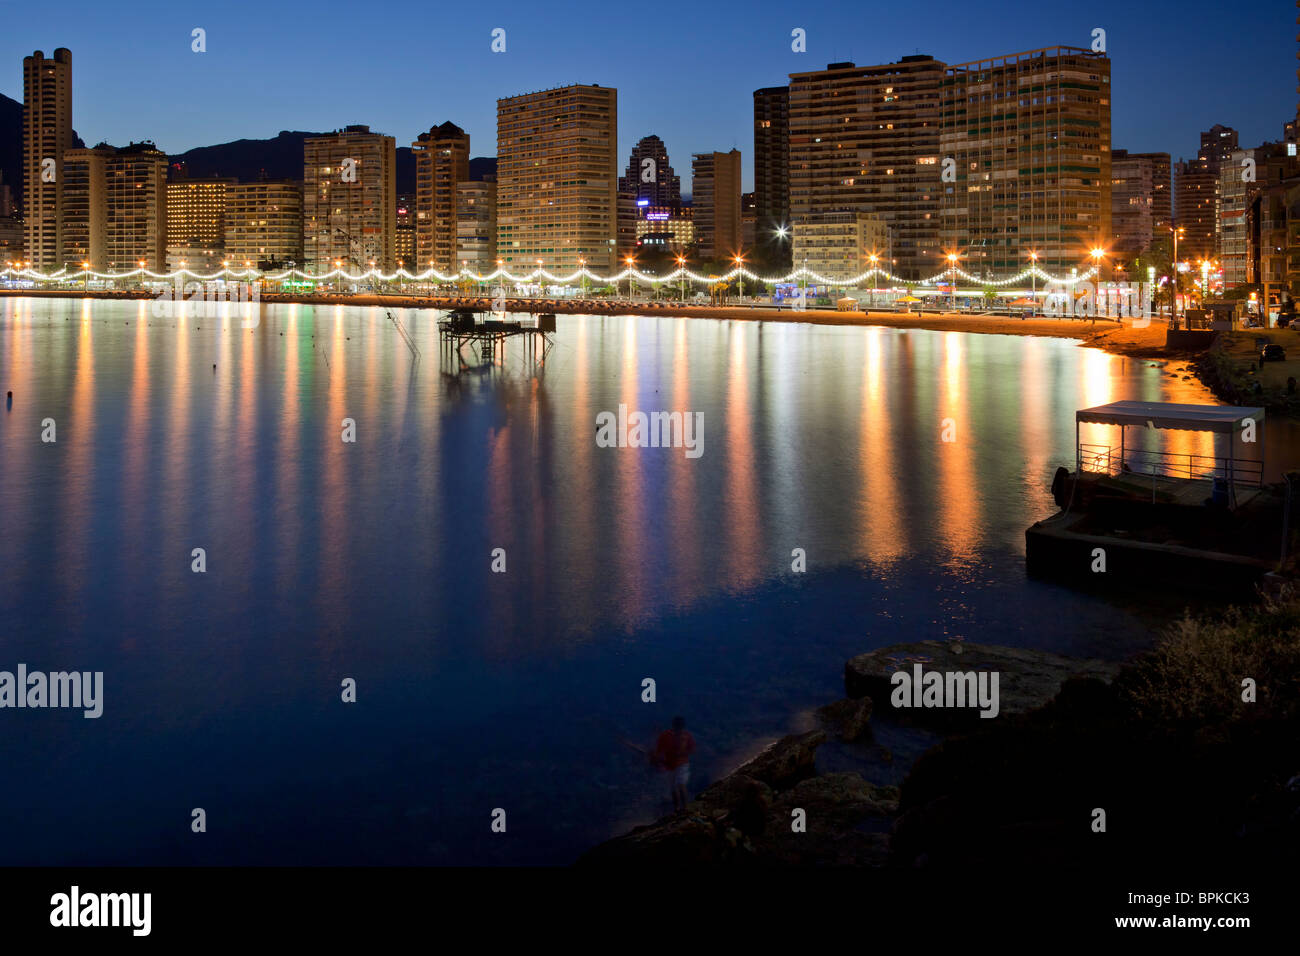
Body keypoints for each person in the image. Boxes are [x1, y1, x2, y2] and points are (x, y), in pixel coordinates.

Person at [652, 716, 696, 813]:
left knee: (680, 784)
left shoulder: (686, 736)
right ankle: (677, 809)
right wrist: (656, 759)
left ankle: (685, 807)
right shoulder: (665, 735)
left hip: (682, 764)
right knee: (673, 787)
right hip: (670, 765)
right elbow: (659, 750)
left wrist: (683, 753)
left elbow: (692, 749)